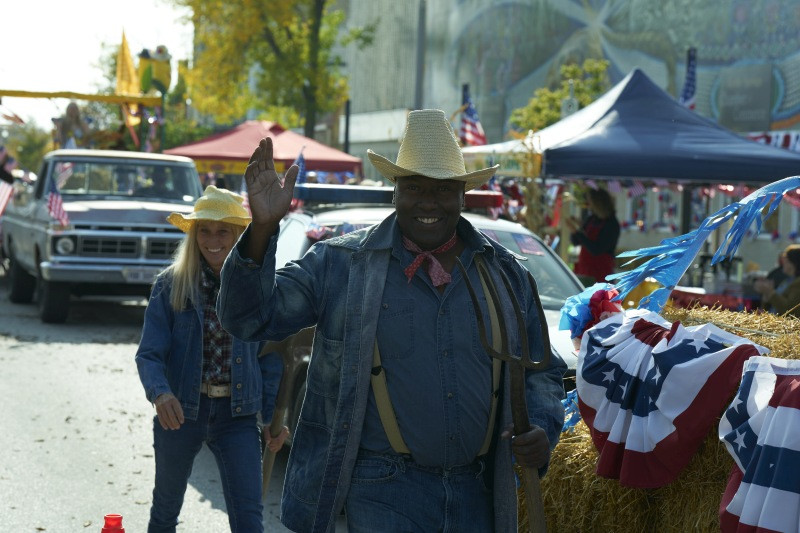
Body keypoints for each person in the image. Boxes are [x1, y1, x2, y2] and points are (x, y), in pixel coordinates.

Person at [217, 109, 566, 532]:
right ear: (395, 191)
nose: (428, 202)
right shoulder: (339, 263)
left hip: (479, 492)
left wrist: (544, 427)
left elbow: (543, 372)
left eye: (442, 189)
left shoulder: (506, 274)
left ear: (462, 195)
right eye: (415, 187)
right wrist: (261, 231)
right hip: (381, 491)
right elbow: (247, 319)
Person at [135, 185, 289, 533]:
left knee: (249, 520)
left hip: (238, 415)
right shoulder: (171, 285)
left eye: (223, 230)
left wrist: (271, 417)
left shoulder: (257, 289)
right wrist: (160, 393)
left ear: (238, 235)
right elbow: (149, 354)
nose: (212, 239)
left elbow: (271, 359)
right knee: (164, 513)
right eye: (204, 230)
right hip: (181, 413)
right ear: (194, 235)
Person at [566, 187, 620, 283]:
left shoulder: (611, 224)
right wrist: (576, 230)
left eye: (590, 202)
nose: (588, 205)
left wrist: (577, 232)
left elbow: (596, 249)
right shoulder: (592, 218)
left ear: (598, 204)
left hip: (602, 273)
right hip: (585, 269)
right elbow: (576, 242)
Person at [754, 244, 800, 318]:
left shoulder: (798, 283)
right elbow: (773, 305)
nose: (783, 262)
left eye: (786, 259)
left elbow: (790, 310)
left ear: (794, 262)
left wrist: (770, 292)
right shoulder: (787, 281)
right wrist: (766, 295)